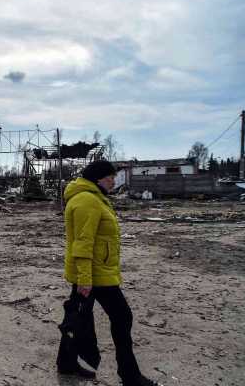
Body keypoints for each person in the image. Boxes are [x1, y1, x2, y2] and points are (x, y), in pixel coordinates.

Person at [56, 160, 161, 386]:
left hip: (93, 272)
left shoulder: (93, 197)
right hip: (95, 274)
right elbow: (83, 244)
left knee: (76, 318)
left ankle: (66, 364)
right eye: (110, 177)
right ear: (97, 178)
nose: (114, 181)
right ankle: (130, 375)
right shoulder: (88, 201)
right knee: (122, 317)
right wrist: (85, 279)